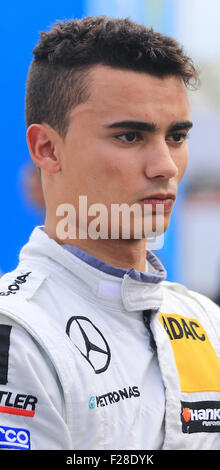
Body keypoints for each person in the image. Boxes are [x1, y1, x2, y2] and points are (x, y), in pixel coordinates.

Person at [0, 16, 219, 451]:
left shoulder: (203, 319)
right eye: (129, 136)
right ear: (47, 148)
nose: (166, 166)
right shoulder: (19, 332)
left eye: (176, 136)